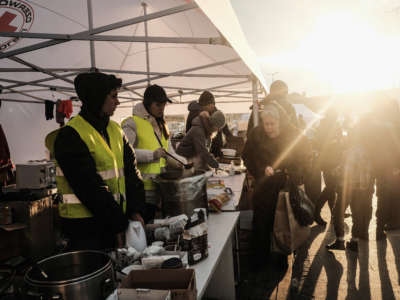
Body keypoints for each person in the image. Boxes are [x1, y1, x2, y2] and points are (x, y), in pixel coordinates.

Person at [54, 72, 145, 251]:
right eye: (113, 96)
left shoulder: (115, 130)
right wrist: (117, 224)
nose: (117, 102)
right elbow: (89, 187)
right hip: (86, 230)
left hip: (114, 222)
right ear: (97, 98)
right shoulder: (70, 135)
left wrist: (135, 210)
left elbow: (131, 172)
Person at [243, 101, 311, 269]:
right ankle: (261, 262)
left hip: (286, 188)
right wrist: (260, 169)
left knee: (283, 223)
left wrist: (290, 172)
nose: (269, 128)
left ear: (280, 122)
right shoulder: (256, 134)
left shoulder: (293, 134)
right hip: (264, 188)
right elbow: (247, 156)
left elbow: (306, 157)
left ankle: (282, 258)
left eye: (273, 124)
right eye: (266, 124)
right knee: (262, 224)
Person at [122, 84, 184, 223]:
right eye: (158, 105)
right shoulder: (132, 123)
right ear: (148, 103)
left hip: (159, 189)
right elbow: (124, 154)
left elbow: (169, 152)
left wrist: (183, 163)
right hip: (141, 191)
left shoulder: (161, 124)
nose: (161, 108)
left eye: (163, 105)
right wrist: (152, 155)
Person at [313, 109, 344, 226]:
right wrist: (334, 141)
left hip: (334, 160)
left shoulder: (335, 125)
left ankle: (334, 212)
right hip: (328, 161)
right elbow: (320, 144)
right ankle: (316, 211)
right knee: (331, 187)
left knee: (331, 188)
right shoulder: (324, 126)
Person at [186, 90, 235, 158]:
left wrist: (230, 136)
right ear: (204, 104)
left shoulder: (213, 110)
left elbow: (222, 123)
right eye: (211, 104)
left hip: (216, 149)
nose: (213, 106)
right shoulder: (195, 114)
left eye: (213, 104)